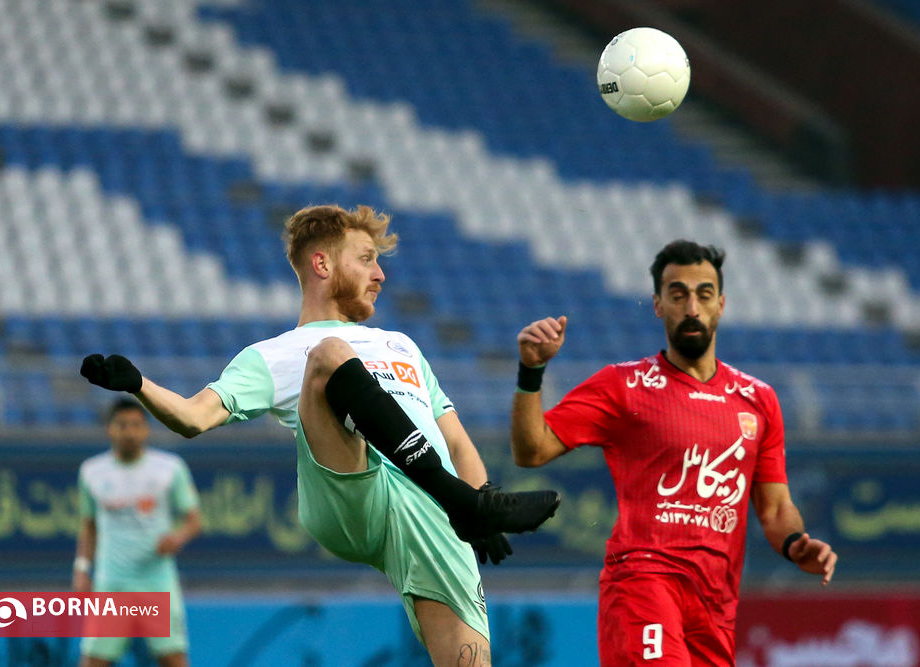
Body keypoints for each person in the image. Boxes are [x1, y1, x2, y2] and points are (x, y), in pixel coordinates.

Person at [80, 204, 560, 667]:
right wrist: (139, 385)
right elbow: (193, 417)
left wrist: (481, 496)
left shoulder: (402, 346)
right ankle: (467, 505)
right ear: (323, 264)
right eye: (366, 259)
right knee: (330, 353)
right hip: (348, 492)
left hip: (430, 507)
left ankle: (470, 506)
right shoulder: (272, 354)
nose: (380, 275)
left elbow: (453, 441)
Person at [509, 239, 837, 666]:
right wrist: (531, 371)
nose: (691, 307)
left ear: (721, 305)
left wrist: (795, 543)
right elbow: (531, 451)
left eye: (704, 294)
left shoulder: (759, 399)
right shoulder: (623, 385)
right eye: (678, 295)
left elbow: (775, 508)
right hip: (643, 583)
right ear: (658, 305)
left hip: (716, 605)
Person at [73, 398, 202, 667]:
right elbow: (89, 526)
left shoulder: (170, 468)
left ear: (146, 430)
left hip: (156, 581)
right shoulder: (92, 472)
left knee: (173, 658)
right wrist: (82, 569)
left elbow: (193, 520)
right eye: (122, 425)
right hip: (112, 581)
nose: (129, 433)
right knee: (94, 660)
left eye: (136, 425)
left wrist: (177, 537)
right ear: (110, 429)